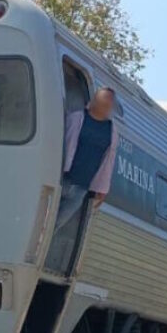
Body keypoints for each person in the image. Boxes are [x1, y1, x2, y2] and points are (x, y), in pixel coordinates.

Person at [54, 87, 120, 233]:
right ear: (94, 100)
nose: (106, 104)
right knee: (43, 218)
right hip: (61, 178)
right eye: (104, 100)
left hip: (80, 189)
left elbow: (108, 161)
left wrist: (102, 189)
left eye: (109, 102)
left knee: (55, 225)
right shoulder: (76, 118)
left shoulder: (112, 131)